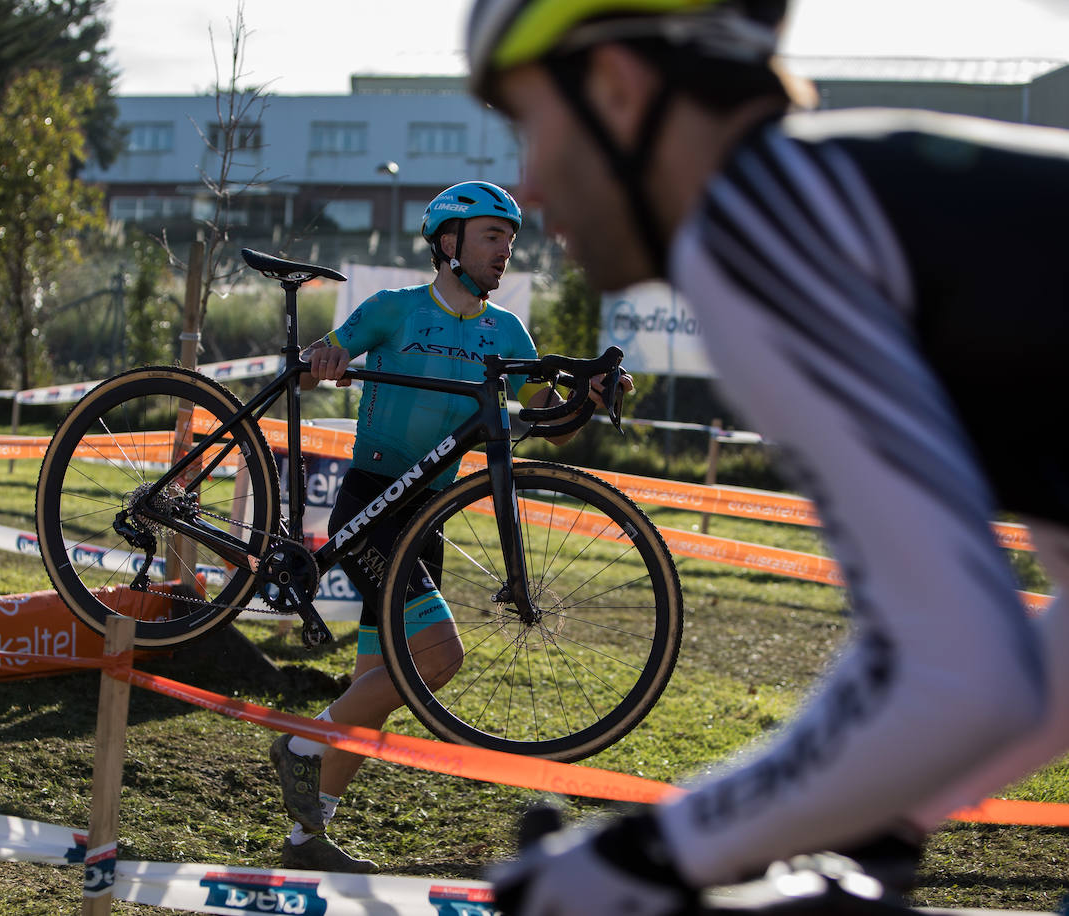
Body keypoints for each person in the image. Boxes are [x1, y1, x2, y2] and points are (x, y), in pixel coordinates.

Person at [462, 0, 1069, 912]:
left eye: (528, 128)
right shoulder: (872, 192)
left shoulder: (755, 223)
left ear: (617, 90)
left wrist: (652, 856)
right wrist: (878, 822)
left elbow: (954, 672)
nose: (530, 186)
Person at [269, 180, 628, 873]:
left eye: (511, 239)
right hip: (374, 504)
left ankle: (306, 840)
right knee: (437, 660)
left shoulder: (508, 331)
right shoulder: (396, 311)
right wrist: (324, 358)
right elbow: (318, 360)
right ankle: (302, 743)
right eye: (494, 236)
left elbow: (547, 424)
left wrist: (586, 397)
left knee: (377, 686)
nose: (506, 251)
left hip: (425, 517)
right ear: (448, 243)